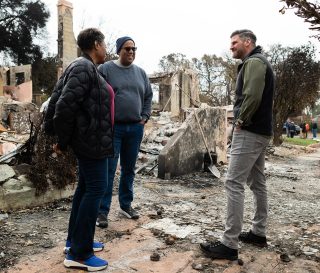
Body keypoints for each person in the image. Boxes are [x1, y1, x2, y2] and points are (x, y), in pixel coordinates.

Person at [200, 29, 274, 261]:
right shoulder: (260, 62)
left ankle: (229, 244)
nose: (231, 47)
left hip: (250, 131)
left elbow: (252, 96)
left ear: (247, 42)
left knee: (234, 183)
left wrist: (240, 121)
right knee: (257, 182)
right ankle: (258, 233)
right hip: (261, 131)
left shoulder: (253, 62)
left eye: (234, 42)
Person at [46, 28, 114, 271]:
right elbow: (63, 106)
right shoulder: (84, 67)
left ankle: (74, 242)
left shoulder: (83, 67)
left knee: (85, 189)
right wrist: (62, 141)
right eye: (104, 44)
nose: (106, 49)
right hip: (91, 142)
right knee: (96, 189)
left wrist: (59, 136)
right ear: (96, 44)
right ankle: (80, 254)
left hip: (92, 140)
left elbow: (56, 98)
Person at [96, 36, 153, 228]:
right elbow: (97, 96)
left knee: (129, 169)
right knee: (109, 169)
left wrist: (144, 116)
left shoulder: (141, 73)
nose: (131, 52)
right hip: (114, 129)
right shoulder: (106, 69)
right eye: (127, 48)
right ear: (119, 50)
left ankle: (125, 205)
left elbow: (148, 97)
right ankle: (102, 211)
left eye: (134, 49)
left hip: (135, 128)